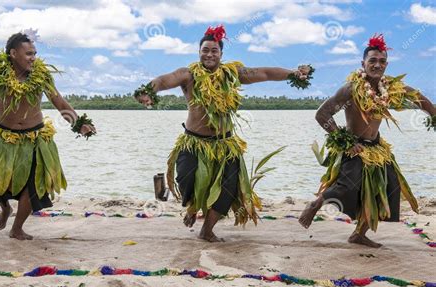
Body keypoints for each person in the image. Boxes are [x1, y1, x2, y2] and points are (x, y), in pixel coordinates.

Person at [135, 25, 313, 242]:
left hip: (225, 144)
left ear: (221, 54)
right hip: (194, 143)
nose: (209, 54)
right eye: (205, 50)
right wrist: (147, 91)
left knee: (228, 190)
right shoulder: (188, 75)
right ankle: (192, 208)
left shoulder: (232, 74)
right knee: (186, 180)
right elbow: (164, 81)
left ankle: (207, 229)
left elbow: (264, 73)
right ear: (199, 52)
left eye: (214, 51)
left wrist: (293, 73)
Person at [299, 34, 435, 248]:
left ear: (386, 65)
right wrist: (345, 142)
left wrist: (434, 115)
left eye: (381, 61)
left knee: (390, 188)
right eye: (372, 60)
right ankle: (316, 204)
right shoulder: (351, 89)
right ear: (363, 63)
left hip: (377, 148)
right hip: (354, 146)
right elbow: (322, 114)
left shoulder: (391, 87)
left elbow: (420, 99)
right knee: (346, 186)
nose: (377, 65)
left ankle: (359, 234)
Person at [0, 32, 96, 240]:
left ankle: (17, 228)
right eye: (28, 54)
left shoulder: (41, 75)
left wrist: (79, 124)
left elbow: (59, 102)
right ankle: (5, 209)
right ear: (13, 53)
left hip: (36, 139)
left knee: (33, 186)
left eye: (35, 53)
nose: (33, 57)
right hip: (4, 138)